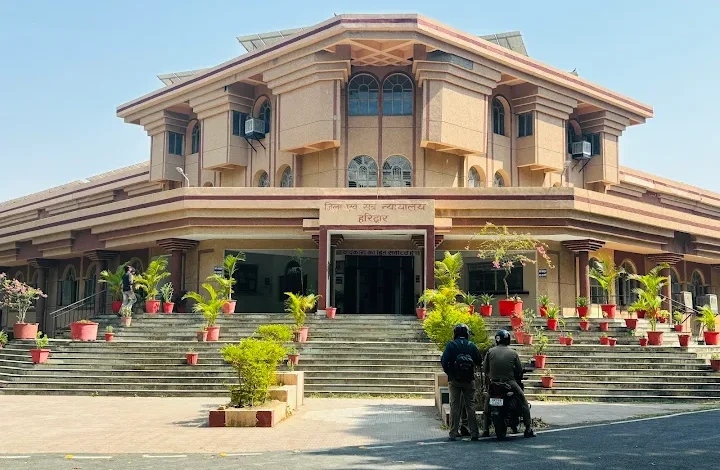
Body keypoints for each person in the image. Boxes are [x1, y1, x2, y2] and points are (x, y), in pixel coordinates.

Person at [482, 329, 535, 438]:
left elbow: (484, 369)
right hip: (510, 382)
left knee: (487, 403)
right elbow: (519, 370)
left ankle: (485, 429)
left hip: (494, 384)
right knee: (523, 401)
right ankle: (528, 428)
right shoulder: (513, 353)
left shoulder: (490, 351)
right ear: (508, 340)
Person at [441, 324, 483, 441]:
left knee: (455, 406)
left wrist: (450, 373)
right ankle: (474, 433)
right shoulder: (471, 345)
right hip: (469, 380)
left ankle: (453, 433)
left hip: (454, 381)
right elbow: (479, 361)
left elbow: (444, 362)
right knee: (470, 406)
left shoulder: (451, 345)